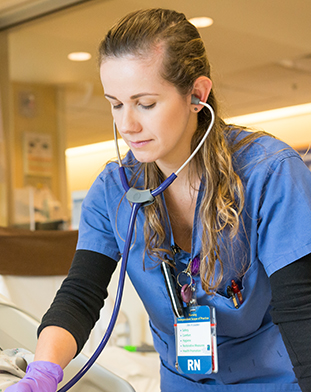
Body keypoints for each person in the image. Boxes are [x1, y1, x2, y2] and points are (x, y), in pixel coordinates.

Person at [6, 8, 311, 392]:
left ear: (197, 96)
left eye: (145, 103)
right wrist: (42, 373)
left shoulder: (269, 174)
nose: (127, 125)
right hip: (181, 382)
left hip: (277, 380)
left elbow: (303, 309)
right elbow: (81, 295)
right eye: (115, 104)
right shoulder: (113, 189)